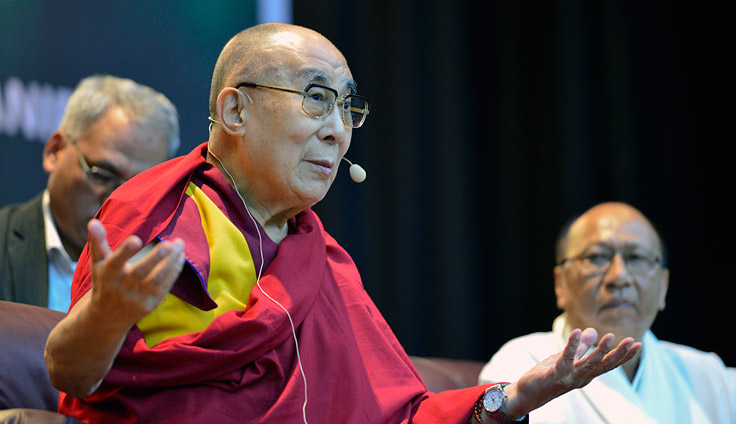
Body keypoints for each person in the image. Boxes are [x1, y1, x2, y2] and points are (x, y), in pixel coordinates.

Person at [44, 24, 641, 424]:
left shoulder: (318, 257)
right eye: (314, 98)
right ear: (234, 109)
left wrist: (517, 396)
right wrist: (107, 314)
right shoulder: (158, 210)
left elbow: (400, 416)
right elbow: (70, 373)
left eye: (347, 106)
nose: (338, 129)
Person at [479, 201, 736, 423]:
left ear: (664, 286)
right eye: (597, 257)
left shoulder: (714, 379)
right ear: (560, 284)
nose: (619, 277)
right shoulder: (518, 366)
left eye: (637, 258)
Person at [0, 74, 180, 313]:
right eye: (102, 175)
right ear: (55, 151)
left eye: (139, 188)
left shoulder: (164, 281)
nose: (118, 202)